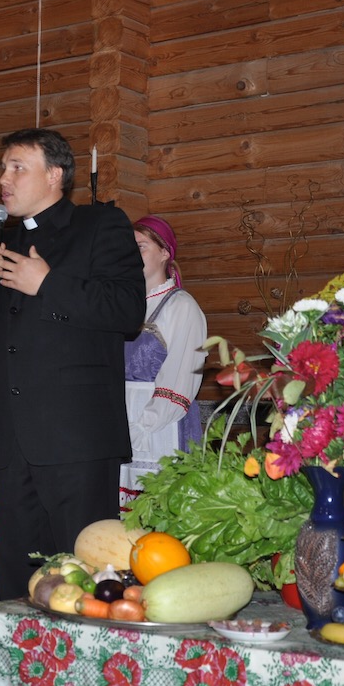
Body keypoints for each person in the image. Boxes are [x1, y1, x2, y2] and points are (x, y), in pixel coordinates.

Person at [0, 129, 145, 599]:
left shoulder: (100, 225)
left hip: (77, 439)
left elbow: (127, 311)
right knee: (18, 581)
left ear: (54, 175)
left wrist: (47, 284)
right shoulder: (2, 244)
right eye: (2, 168)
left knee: (88, 577)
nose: (2, 180)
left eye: (16, 167)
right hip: (13, 442)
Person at [120, 215, 207, 510]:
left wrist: (141, 427)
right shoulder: (119, 305)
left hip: (159, 426)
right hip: (119, 422)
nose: (131, 255)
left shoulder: (181, 307)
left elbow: (180, 379)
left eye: (140, 247)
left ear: (164, 253)